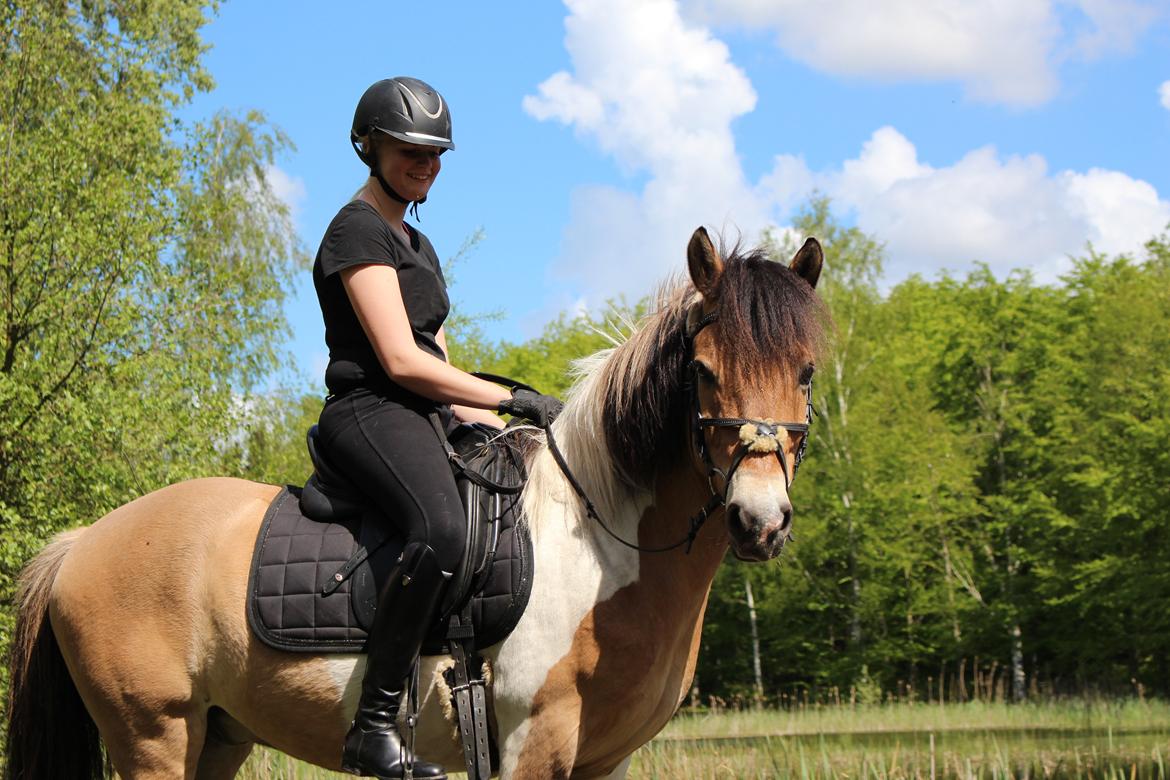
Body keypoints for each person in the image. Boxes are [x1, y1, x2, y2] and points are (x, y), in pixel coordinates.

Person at [313, 77, 561, 780]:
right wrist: (509, 397)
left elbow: (437, 353)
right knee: (443, 528)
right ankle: (373, 728)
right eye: (409, 150)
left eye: (435, 153)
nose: (425, 164)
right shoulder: (354, 230)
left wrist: (502, 420)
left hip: (420, 409)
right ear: (370, 145)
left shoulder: (416, 243)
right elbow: (397, 358)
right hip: (368, 410)